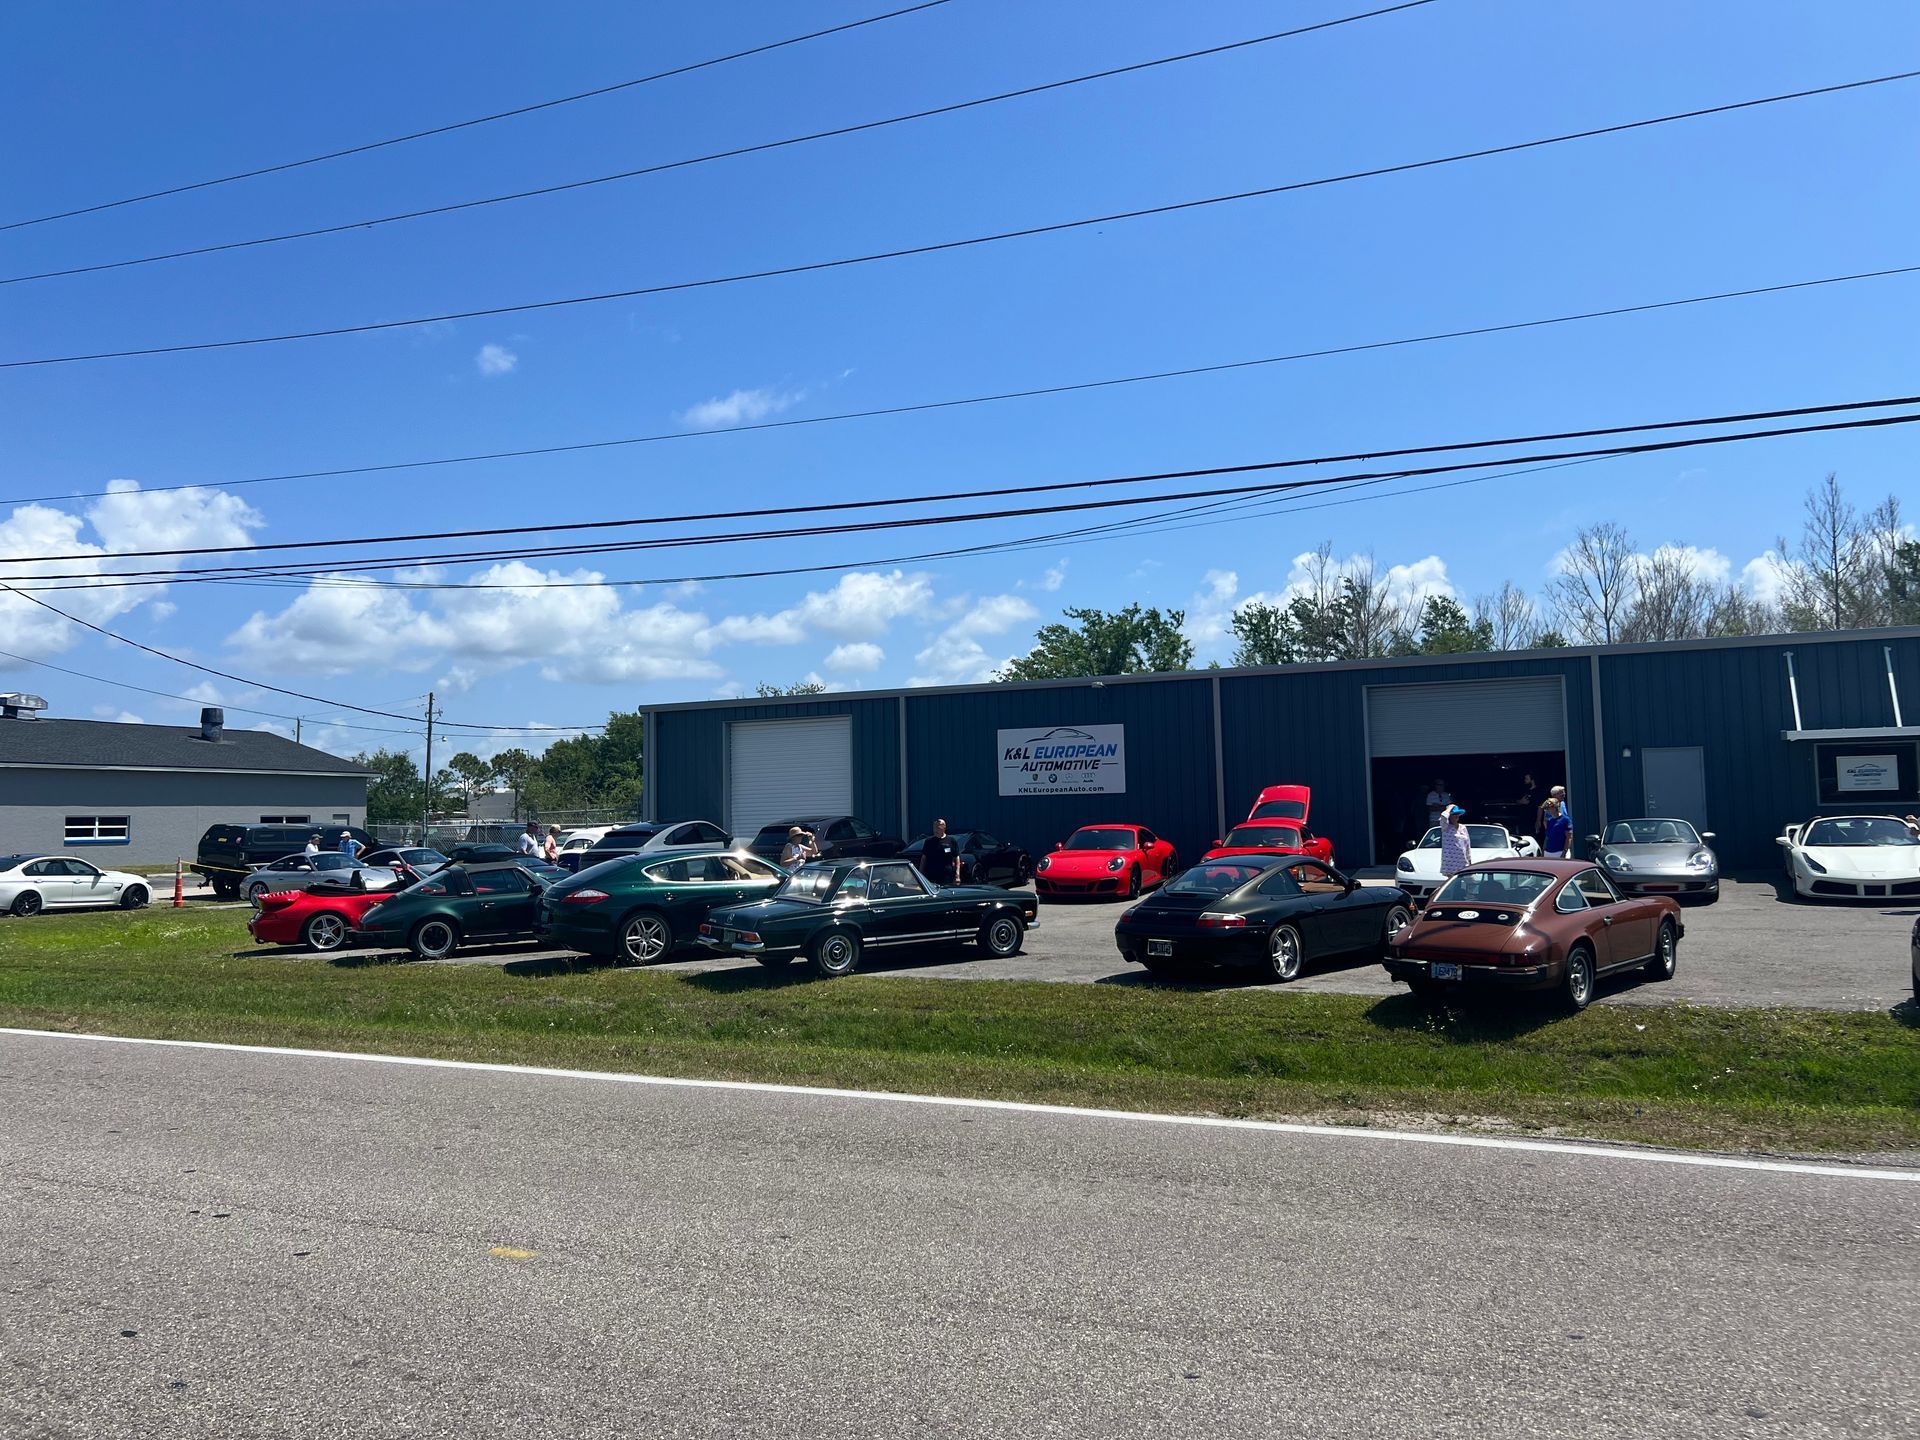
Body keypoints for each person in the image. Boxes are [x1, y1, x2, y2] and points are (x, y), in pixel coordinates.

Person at [917, 818, 962, 886]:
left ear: (944, 827)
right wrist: (920, 874)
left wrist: (957, 874)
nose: (935, 830)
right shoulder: (928, 842)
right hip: (931, 876)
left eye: (937, 827)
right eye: (934, 827)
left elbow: (957, 858)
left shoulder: (951, 841)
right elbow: (923, 859)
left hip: (947, 876)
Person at [1438, 804, 1472, 881]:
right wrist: (1449, 808)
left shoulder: (1463, 827)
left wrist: (1470, 862)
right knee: (1453, 885)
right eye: (1454, 814)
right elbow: (1443, 816)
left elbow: (1467, 845)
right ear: (1450, 816)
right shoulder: (1446, 827)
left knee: (1469, 883)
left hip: (1463, 862)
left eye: (1457, 814)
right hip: (1451, 864)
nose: (1456, 816)